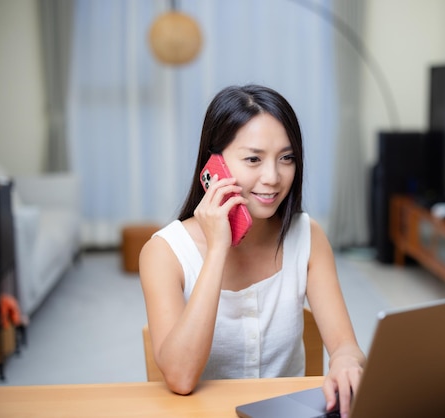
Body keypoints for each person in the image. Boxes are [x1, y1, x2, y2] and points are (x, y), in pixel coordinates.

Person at [139, 84, 365, 416]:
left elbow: (346, 346)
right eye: (253, 159)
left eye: (286, 158)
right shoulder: (164, 252)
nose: (272, 177)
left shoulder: (307, 236)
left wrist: (346, 361)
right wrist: (218, 249)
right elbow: (181, 377)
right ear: (213, 167)